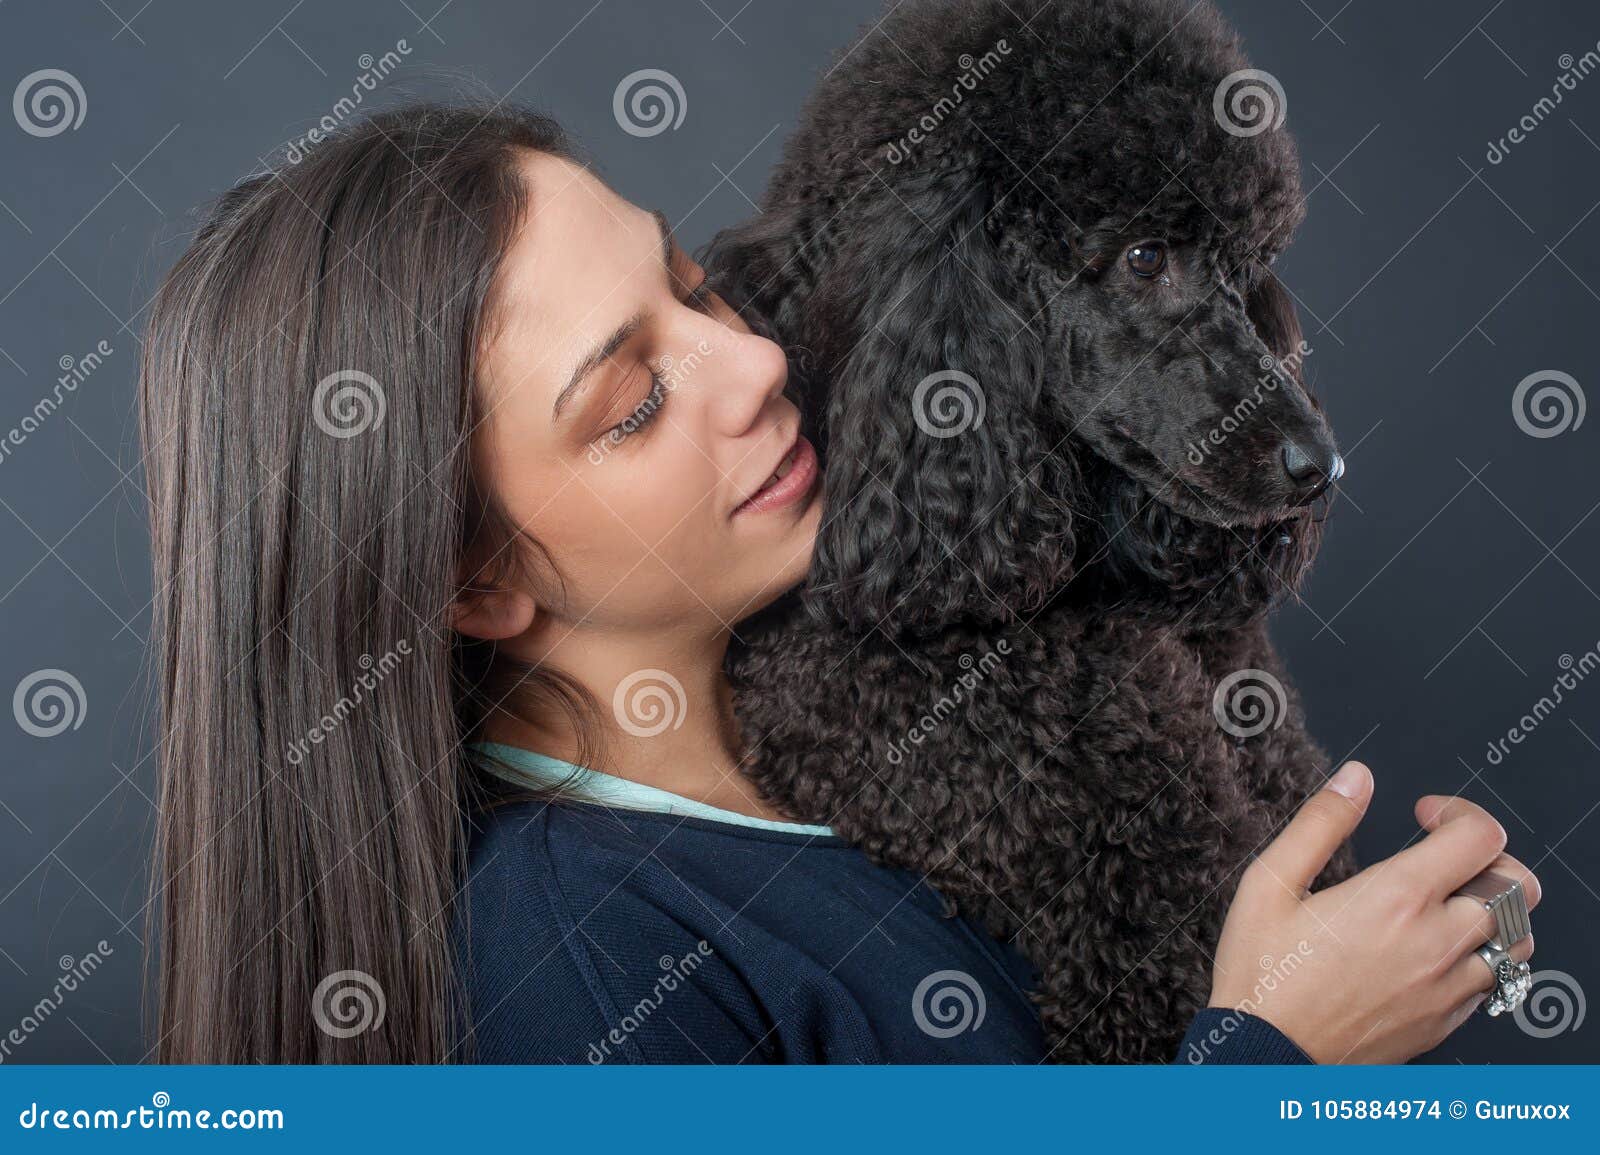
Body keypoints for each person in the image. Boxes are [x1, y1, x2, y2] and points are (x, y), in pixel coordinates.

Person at [138, 102, 1538, 1064]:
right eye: (630, 402)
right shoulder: (576, 964)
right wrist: (1272, 1060)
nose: (750, 366)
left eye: (696, 290)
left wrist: (1379, 957)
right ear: (472, 579)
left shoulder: (872, 711)